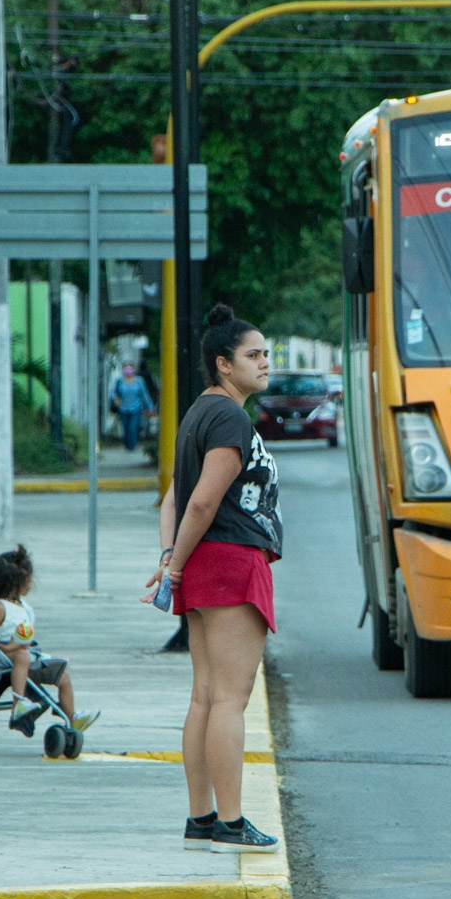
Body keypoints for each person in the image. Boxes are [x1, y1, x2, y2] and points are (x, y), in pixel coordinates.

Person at [142, 303, 281, 854]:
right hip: (227, 562)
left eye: (266, 353)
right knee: (229, 699)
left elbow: (174, 498)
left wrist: (171, 557)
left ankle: (201, 817)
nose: (265, 363)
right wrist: (171, 566)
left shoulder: (199, 413)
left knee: (204, 696)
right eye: (254, 355)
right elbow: (199, 503)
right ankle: (229, 819)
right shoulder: (231, 418)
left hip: (204, 562)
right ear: (224, 364)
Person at [0, 544, 99, 733]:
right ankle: (18, 704)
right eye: (29, 580)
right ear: (17, 582)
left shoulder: (23, 606)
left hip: (25, 654)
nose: (31, 584)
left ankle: (72, 719)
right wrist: (10, 648)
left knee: (63, 675)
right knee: (23, 656)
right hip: (7, 657)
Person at [110, 363, 155, 452]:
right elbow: (113, 393)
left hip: (136, 408)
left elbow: (144, 394)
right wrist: (115, 398)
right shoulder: (119, 381)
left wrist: (150, 407)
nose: (128, 371)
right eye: (126, 368)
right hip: (123, 408)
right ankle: (127, 445)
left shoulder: (139, 381)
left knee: (133, 427)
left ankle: (132, 446)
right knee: (126, 429)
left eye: (130, 368)